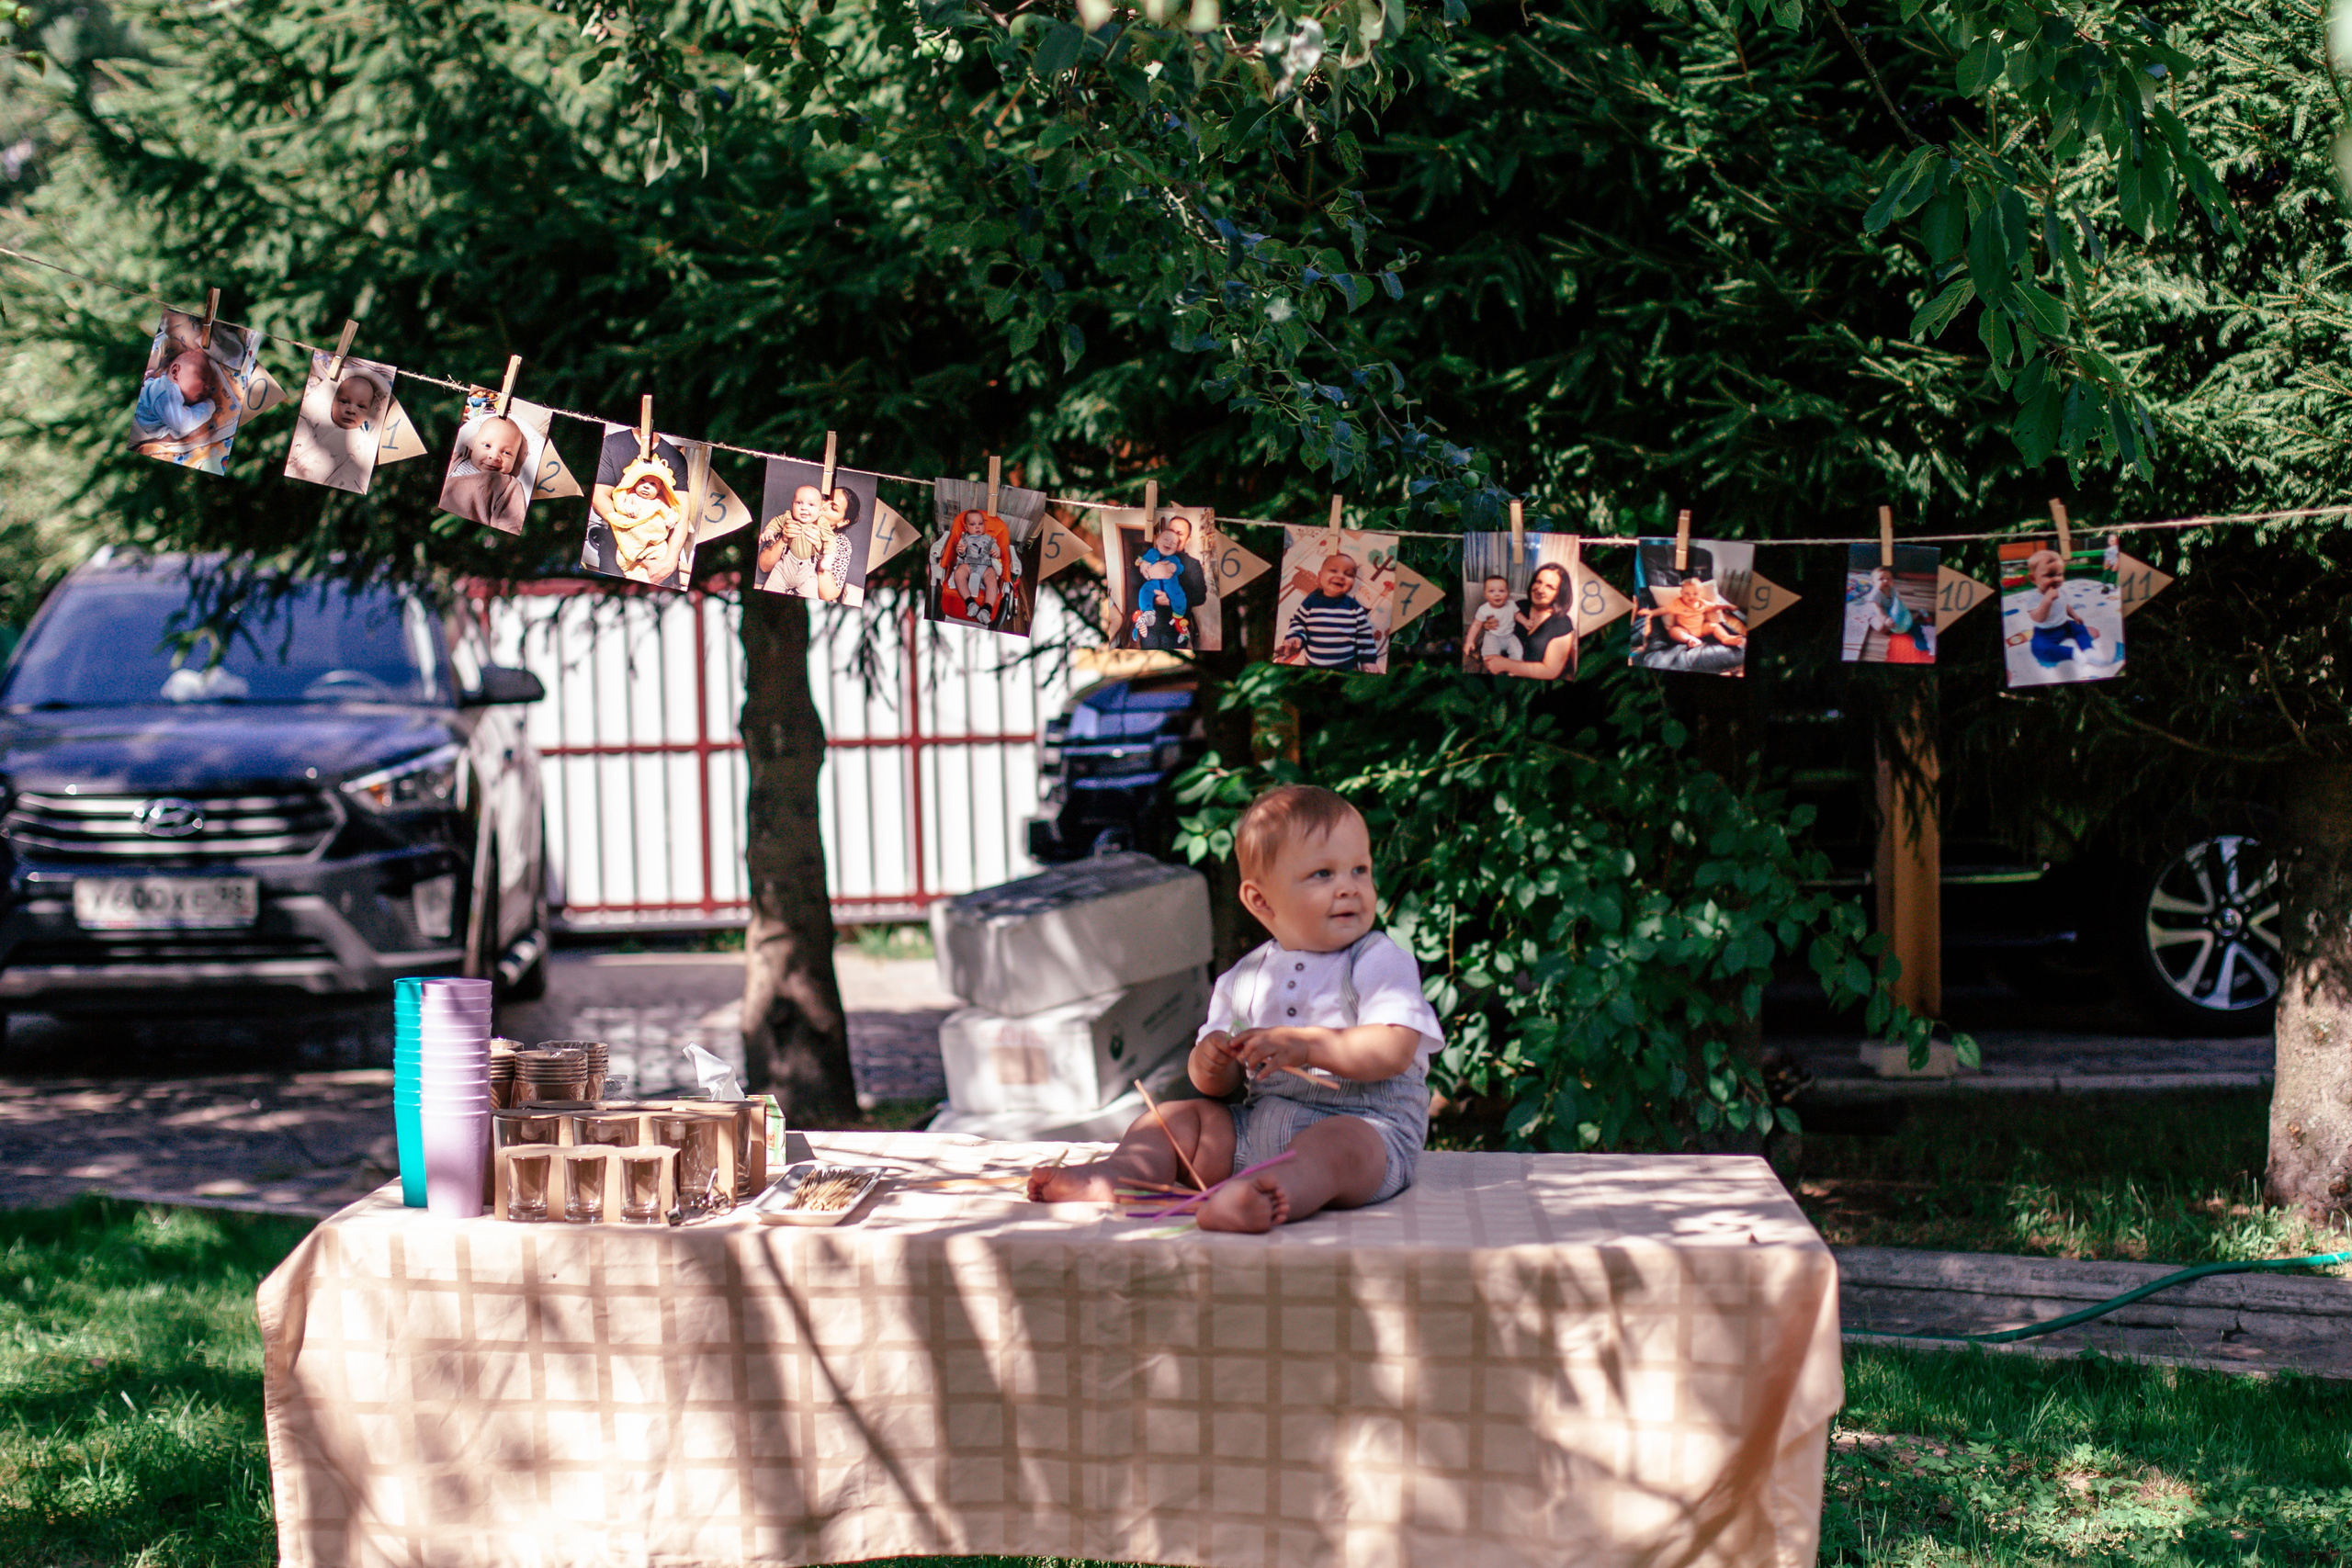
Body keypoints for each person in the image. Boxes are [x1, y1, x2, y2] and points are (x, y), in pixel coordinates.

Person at [1028, 784, 1442, 1231]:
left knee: (1332, 1147)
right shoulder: (1245, 978)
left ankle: (1265, 1196)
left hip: (1368, 1131)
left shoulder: (1377, 958)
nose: (1349, 888)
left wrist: (1307, 1046)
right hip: (1258, 1131)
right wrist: (1211, 1059)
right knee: (1174, 1117)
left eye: (1360, 870)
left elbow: (1394, 1048)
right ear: (1260, 901)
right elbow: (1216, 1085)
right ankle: (1118, 1177)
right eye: (1324, 874)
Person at [1275, 552, 1384, 671]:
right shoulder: (1311, 602)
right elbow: (1298, 622)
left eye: (1348, 574)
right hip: (1312, 663)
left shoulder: (1354, 607)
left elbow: (1364, 635)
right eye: (1333, 570)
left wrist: (1368, 661)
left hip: (1347, 664)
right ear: (1320, 576)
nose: (1341, 576)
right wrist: (1295, 638)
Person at [1482, 560, 1580, 679]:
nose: (1540, 589)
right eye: (1538, 582)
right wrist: (1489, 625)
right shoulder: (1518, 606)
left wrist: (1505, 664)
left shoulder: (1562, 623)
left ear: (1559, 594)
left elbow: (1550, 672)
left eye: (1550, 587)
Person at [437, 412, 532, 535]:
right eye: (487, 446)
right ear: (474, 443)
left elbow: (510, 520)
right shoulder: (458, 459)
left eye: (507, 453)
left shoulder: (509, 484)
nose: (494, 456)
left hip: (472, 528)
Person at [2021, 547, 2107, 666]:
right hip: (2045, 633)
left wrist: (2075, 616)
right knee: (2039, 649)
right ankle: (2072, 653)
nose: (2056, 579)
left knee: (2080, 628)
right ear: (2033, 578)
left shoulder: (2060, 591)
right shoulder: (2033, 597)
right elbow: (2038, 618)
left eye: (2059, 574)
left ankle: (2088, 650)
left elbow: (2065, 605)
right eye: (2050, 575)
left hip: (2064, 625)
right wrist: (2047, 600)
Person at [1637, 576, 1747, 650]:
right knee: (1673, 631)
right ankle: (1691, 640)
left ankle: (1726, 638)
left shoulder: (1702, 603)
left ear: (1700, 594)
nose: (1691, 597)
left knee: (1714, 626)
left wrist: (1726, 606)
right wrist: (1651, 612)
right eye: (1687, 594)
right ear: (1681, 593)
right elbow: (1665, 610)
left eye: (1695, 593)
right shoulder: (1678, 604)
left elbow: (1714, 607)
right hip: (1685, 629)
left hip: (1701, 629)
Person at [133, 347, 216, 440]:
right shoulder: (165, 394)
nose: (207, 388)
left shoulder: (165, 388)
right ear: (175, 372)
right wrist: (208, 406)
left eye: (209, 385)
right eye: (203, 379)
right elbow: (183, 424)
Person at [1466, 574, 1521, 663]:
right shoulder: (1484, 609)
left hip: (1509, 636)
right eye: (1491, 591)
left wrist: (1526, 622)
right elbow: (1476, 625)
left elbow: (1518, 615)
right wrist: (1469, 641)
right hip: (1492, 636)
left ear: (1508, 593)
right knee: (1489, 656)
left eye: (1501, 591)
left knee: (1518, 653)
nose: (1497, 594)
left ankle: (1514, 668)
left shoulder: (1511, 605)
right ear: (1485, 594)